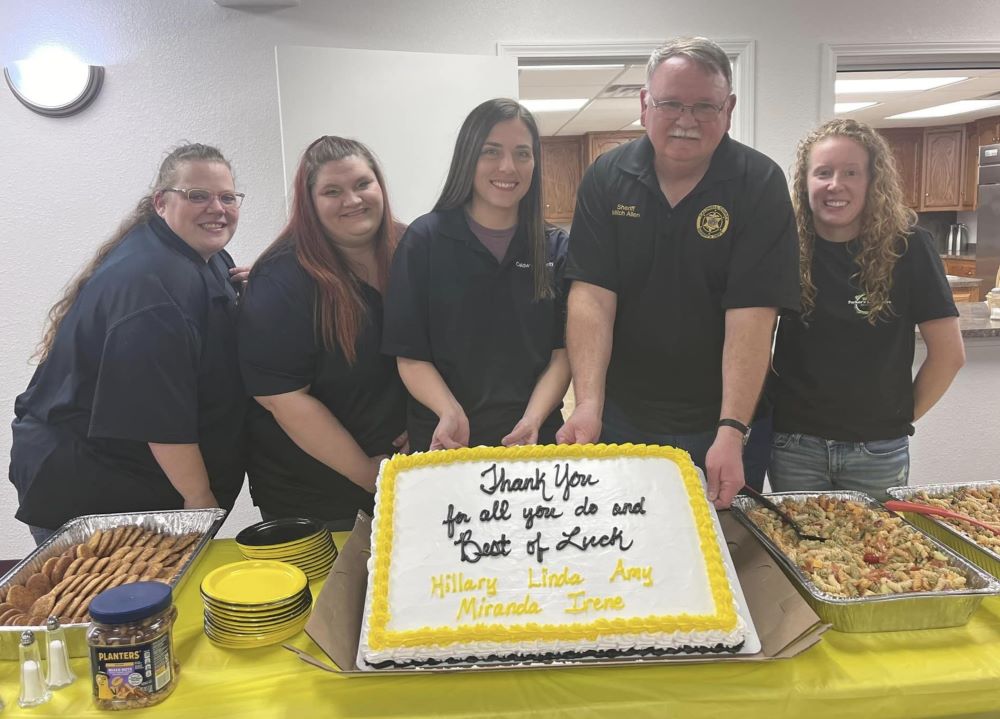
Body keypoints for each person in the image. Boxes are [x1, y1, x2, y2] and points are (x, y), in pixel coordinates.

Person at [555, 37, 800, 507]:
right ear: (645, 104)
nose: (687, 120)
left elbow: (751, 316)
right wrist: (588, 404)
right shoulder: (606, 178)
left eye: (704, 106)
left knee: (720, 560)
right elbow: (591, 299)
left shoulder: (760, 185)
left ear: (728, 109)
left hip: (724, 423)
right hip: (623, 419)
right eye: (671, 103)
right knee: (626, 552)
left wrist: (731, 430)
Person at [10, 144, 247, 545]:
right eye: (198, 196)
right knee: (108, 608)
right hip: (97, 494)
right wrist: (200, 503)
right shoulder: (150, 286)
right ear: (161, 202)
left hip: (132, 483)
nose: (217, 208)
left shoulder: (205, 257)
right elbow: (159, 420)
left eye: (227, 197)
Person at [767, 119, 965, 499]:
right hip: (794, 446)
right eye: (822, 172)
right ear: (805, 181)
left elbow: (949, 356)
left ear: (873, 181)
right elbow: (752, 338)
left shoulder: (909, 248)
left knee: (875, 555)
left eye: (851, 172)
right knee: (798, 557)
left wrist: (896, 421)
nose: (834, 185)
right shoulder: (784, 247)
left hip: (877, 451)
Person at [237, 136, 407, 530]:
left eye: (363, 184)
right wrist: (369, 474)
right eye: (332, 191)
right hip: (315, 494)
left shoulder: (412, 248)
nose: (352, 200)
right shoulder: (281, 278)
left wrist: (423, 429)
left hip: (403, 472)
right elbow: (282, 399)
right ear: (310, 202)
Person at [383, 98, 570, 451]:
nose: (508, 166)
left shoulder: (555, 247)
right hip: (447, 438)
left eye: (522, 154)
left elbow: (562, 354)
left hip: (533, 440)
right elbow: (409, 354)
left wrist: (531, 421)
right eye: (491, 151)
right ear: (468, 156)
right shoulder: (424, 241)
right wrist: (448, 410)